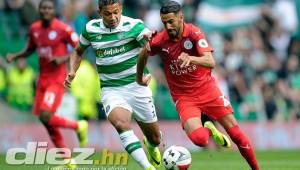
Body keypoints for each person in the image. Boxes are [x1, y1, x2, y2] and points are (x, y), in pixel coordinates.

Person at [136, 1, 260, 170]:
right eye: (164, 22)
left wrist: (191, 58)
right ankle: (209, 129)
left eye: (171, 21)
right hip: (184, 98)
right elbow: (144, 52)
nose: (168, 26)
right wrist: (139, 77)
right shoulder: (160, 40)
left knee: (237, 135)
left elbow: (210, 61)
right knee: (200, 140)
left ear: (181, 17)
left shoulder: (194, 33)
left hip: (207, 90)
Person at [64, 1, 161, 170]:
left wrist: (150, 37)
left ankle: (151, 145)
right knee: (121, 124)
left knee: (155, 138)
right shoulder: (91, 29)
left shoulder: (134, 25)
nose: (113, 17)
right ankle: (147, 167)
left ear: (121, 9)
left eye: (116, 12)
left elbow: (149, 39)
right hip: (111, 89)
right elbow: (78, 51)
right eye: (108, 13)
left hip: (137, 87)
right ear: (99, 12)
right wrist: (72, 71)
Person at [6, 0, 88, 168]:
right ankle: (68, 160)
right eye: (43, 8)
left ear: (53, 10)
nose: (45, 11)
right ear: (39, 10)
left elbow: (79, 49)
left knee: (46, 116)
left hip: (57, 80)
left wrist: (62, 58)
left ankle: (78, 125)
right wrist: (16, 56)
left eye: (49, 8)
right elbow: (30, 49)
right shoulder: (34, 29)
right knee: (46, 122)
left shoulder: (63, 29)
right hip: (42, 79)